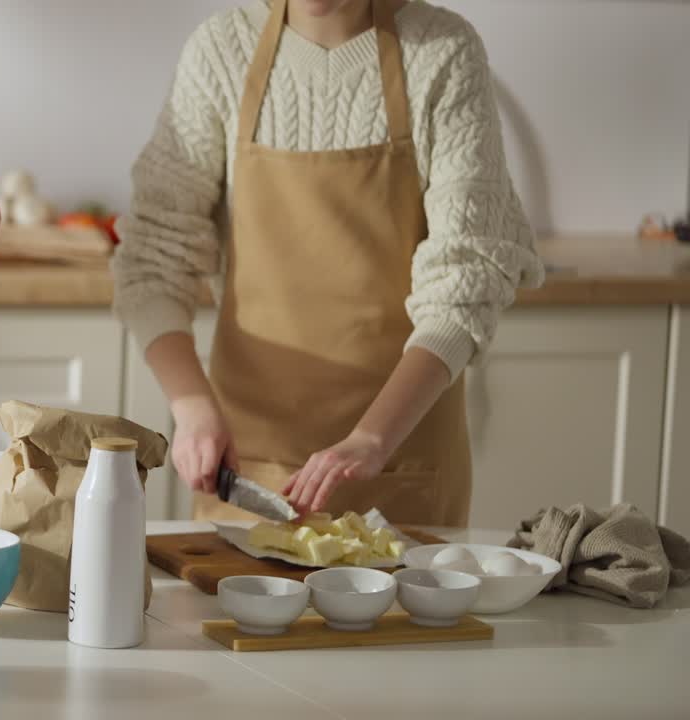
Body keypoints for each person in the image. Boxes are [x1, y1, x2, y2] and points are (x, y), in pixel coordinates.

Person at [112, 0, 544, 526]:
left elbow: (467, 274)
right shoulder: (221, 52)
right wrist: (192, 408)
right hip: (249, 469)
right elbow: (154, 256)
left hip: (404, 463)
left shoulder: (442, 52)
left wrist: (371, 437)